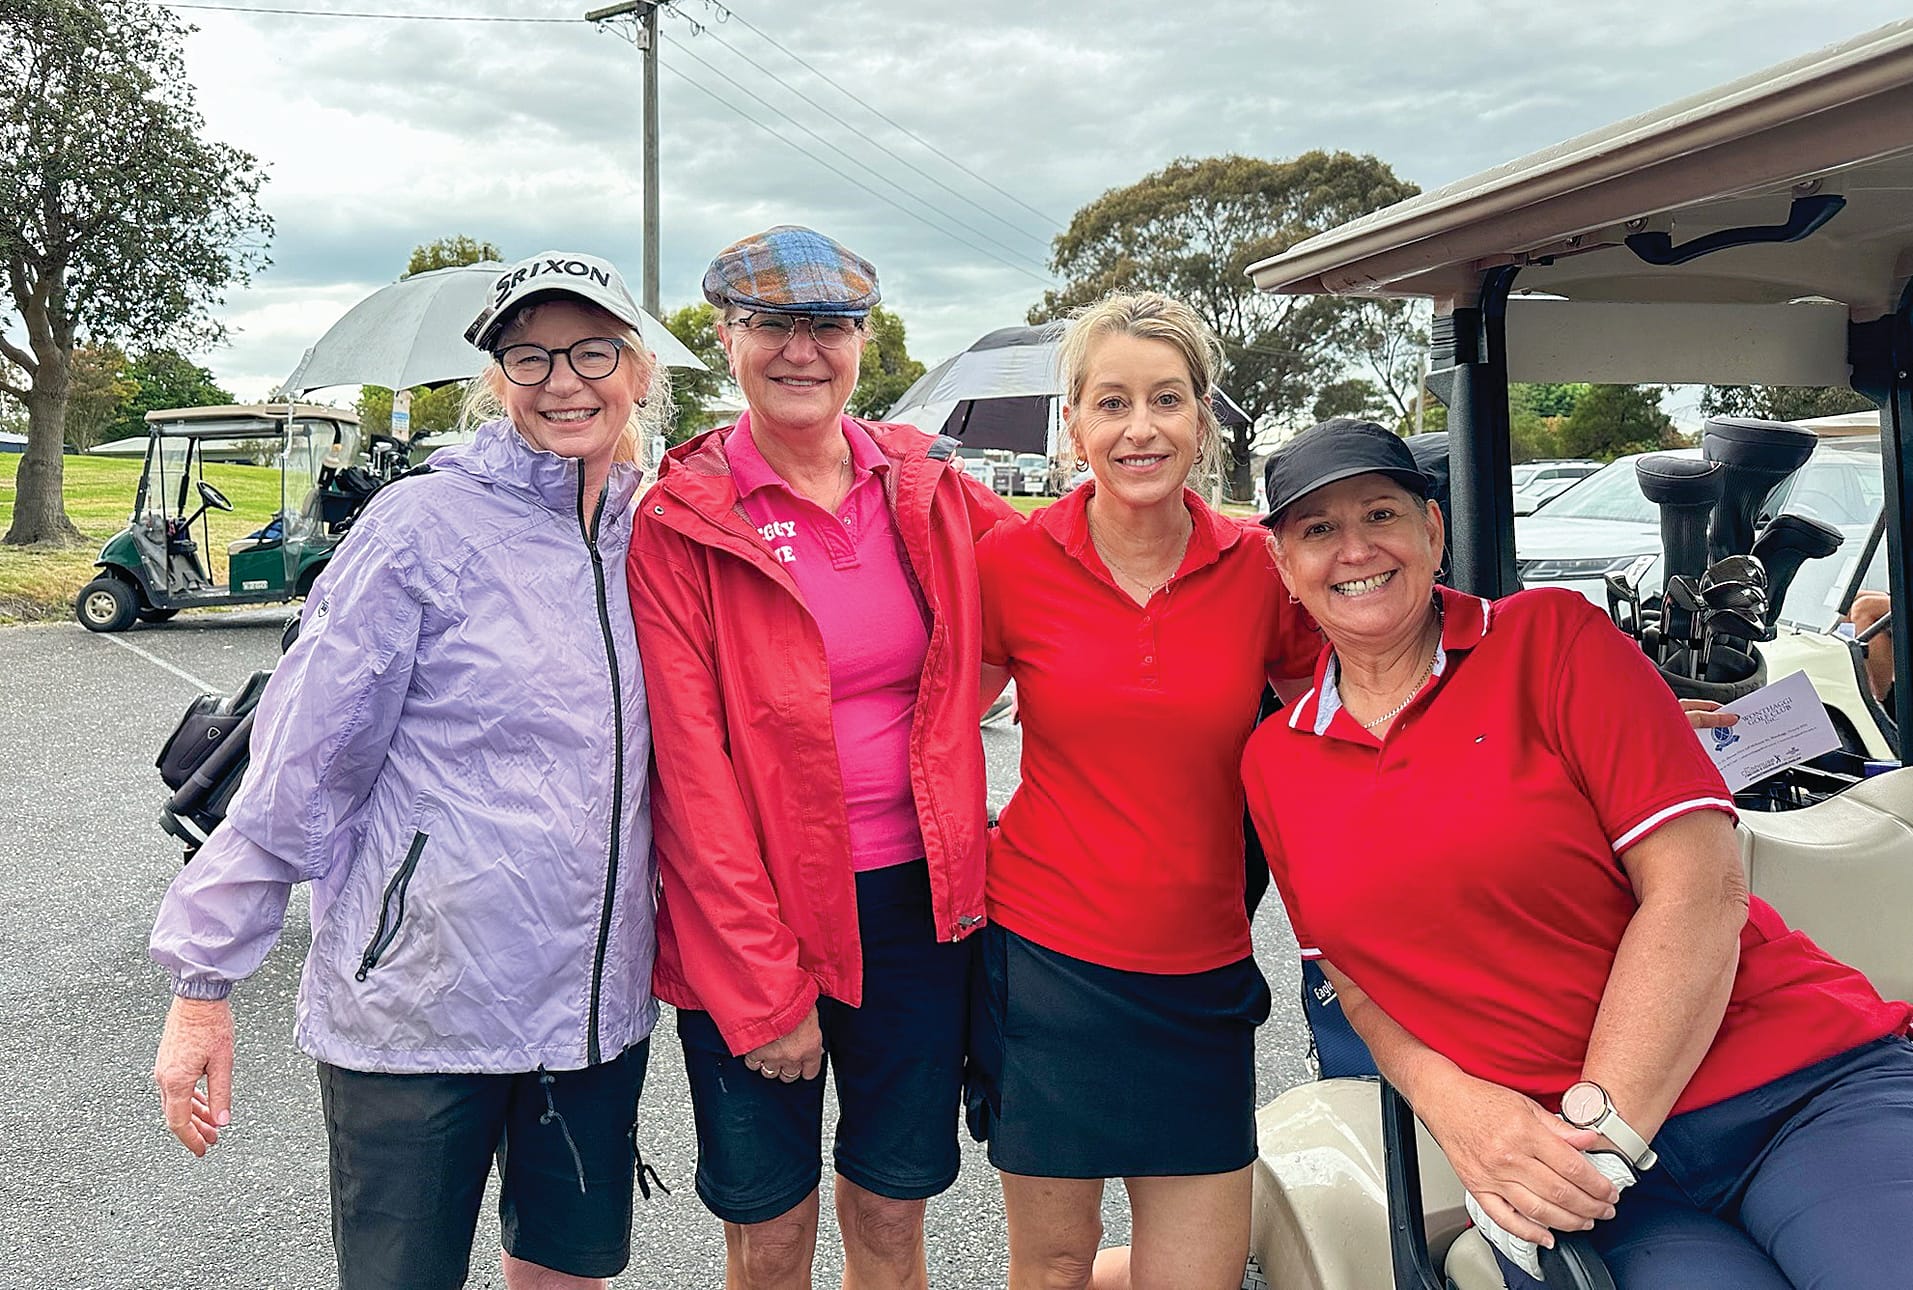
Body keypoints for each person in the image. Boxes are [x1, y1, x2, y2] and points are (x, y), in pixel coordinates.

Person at [1244, 418, 1913, 1289]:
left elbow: (1700, 890)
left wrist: (1605, 1132)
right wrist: (1462, 1112)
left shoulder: (1550, 639)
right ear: (1283, 566)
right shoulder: (1275, 763)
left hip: (1787, 1089)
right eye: (1318, 530)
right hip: (1579, 1174)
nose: (1355, 549)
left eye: (1381, 514)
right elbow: (1356, 984)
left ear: (1431, 532)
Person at [150, 250, 669, 1290]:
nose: (562, 381)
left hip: (590, 1013)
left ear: (638, 371)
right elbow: (303, 764)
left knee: (567, 1275)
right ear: (495, 379)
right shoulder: (417, 528)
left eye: (592, 351)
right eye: (529, 357)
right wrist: (203, 980)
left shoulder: (650, 530)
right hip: (419, 1006)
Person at [626, 225, 1015, 1290]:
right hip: (757, 915)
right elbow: (690, 779)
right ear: (725, 337)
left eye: (829, 326)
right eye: (771, 325)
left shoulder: (926, 487)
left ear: (860, 342)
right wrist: (762, 985)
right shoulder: (681, 519)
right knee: (770, 1230)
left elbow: (1065, 580)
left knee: (891, 1210)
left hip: (917, 911)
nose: (802, 351)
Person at [967, 291, 1321, 1290]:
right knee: (1052, 1267)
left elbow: (1363, 700)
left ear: (1202, 420)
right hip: (1046, 963)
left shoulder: (1259, 567)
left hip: (1202, 969)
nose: (1140, 428)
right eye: (1111, 402)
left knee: (1196, 1274)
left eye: (1166, 400)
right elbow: (930, 728)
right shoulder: (1011, 562)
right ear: (1073, 424)